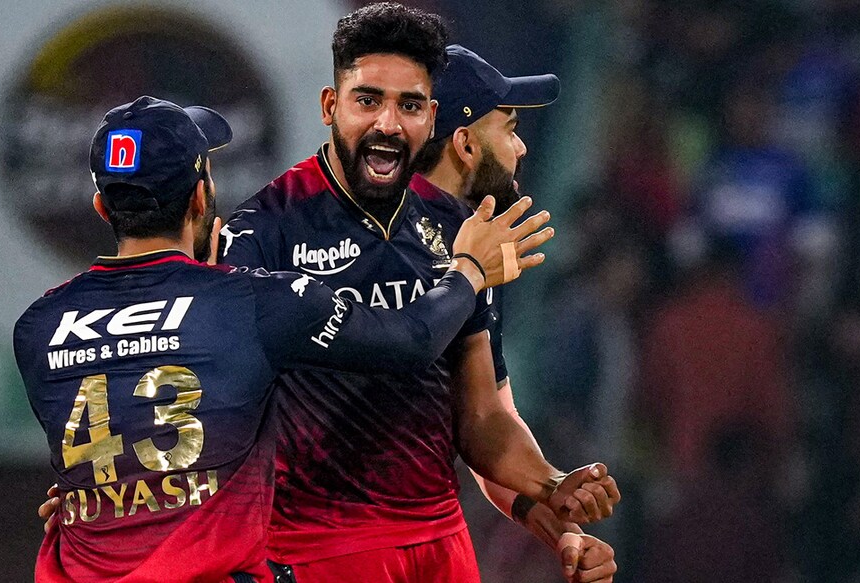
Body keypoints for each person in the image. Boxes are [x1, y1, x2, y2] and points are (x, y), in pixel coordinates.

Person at [14, 95, 557, 582]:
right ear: (202, 198)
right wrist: (468, 270)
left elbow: (121, 429)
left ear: (103, 208)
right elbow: (409, 343)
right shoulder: (254, 303)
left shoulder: (36, 328)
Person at [218, 4, 618, 582]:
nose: (387, 123)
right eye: (367, 100)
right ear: (331, 106)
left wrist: (553, 487)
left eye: (408, 106)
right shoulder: (265, 229)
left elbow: (481, 414)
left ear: (431, 117)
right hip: (320, 550)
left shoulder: (460, 229)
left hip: (442, 544)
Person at [412, 45, 618, 582]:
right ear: (464, 144)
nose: (522, 146)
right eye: (508, 127)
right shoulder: (369, 243)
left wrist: (560, 517)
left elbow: (484, 422)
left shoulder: (474, 250)